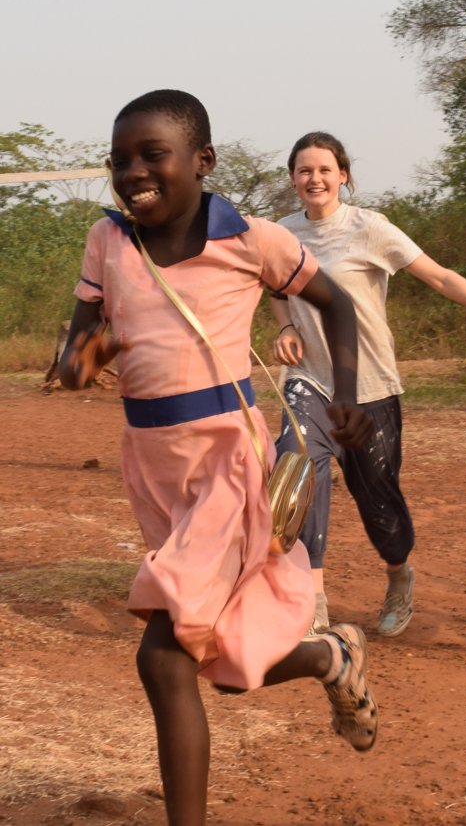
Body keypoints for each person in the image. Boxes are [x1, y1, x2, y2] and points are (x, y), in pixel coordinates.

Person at [59, 91, 378, 826]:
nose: (132, 172)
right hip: (155, 470)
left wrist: (349, 396)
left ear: (202, 161)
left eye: (151, 155)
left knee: (164, 656)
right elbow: (73, 365)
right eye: (120, 160)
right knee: (227, 664)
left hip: (230, 466)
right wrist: (104, 344)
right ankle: (330, 657)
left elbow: (336, 303)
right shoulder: (108, 244)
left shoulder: (250, 240)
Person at [272, 131, 466, 637]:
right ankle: (313, 599)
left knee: (380, 504)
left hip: (370, 386)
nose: (315, 179)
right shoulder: (281, 234)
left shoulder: (371, 228)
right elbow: (275, 284)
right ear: (293, 179)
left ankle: (397, 573)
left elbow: (441, 278)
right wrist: (284, 324)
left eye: (325, 169)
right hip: (308, 383)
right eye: (305, 170)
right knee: (302, 473)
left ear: (343, 175)